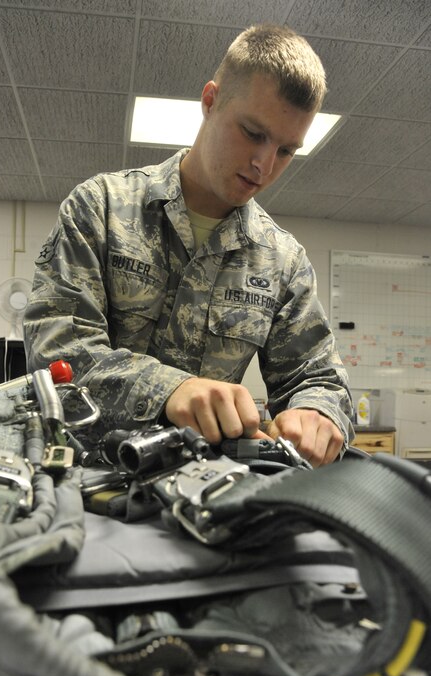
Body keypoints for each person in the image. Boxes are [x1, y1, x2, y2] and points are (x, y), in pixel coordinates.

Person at [23, 23, 354, 467]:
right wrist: (169, 390)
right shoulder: (101, 208)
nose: (264, 164)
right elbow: (56, 349)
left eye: (287, 150)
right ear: (211, 100)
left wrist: (318, 411)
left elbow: (317, 375)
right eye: (253, 133)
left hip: (206, 497)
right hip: (86, 485)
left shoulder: (282, 260)